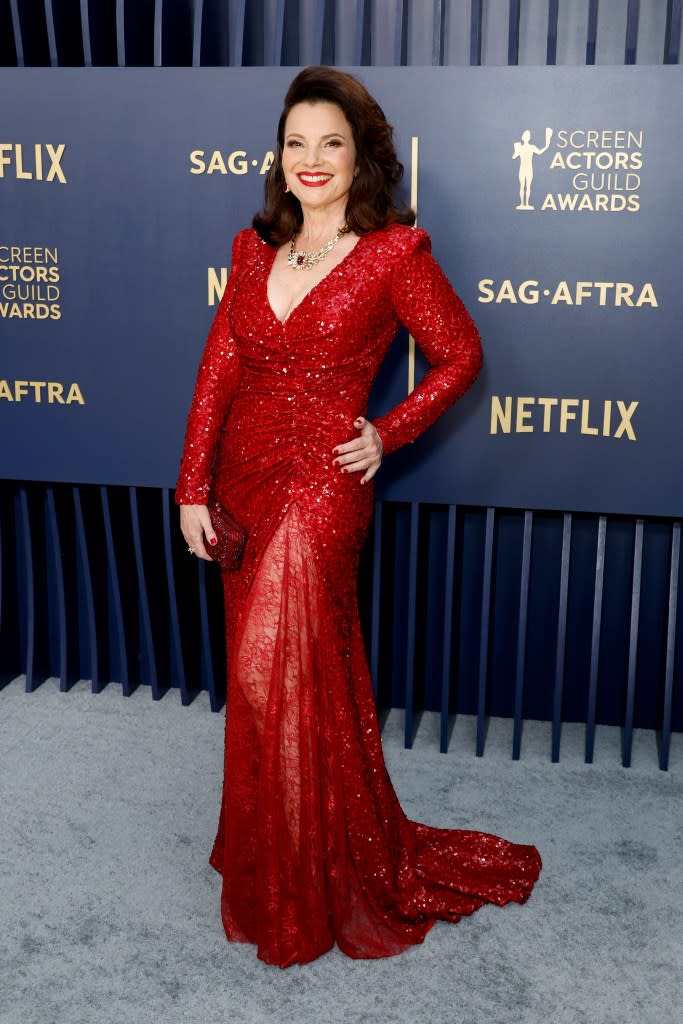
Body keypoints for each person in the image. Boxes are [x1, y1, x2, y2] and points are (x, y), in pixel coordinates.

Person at [176, 66, 541, 968]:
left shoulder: (392, 256)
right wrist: (191, 487)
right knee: (271, 688)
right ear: (279, 156)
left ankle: (305, 892)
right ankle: (279, 860)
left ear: (359, 155)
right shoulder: (253, 252)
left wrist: (386, 433)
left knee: (276, 673)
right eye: (295, 142)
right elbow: (217, 372)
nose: (310, 160)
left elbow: (460, 354)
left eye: (329, 143)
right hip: (243, 483)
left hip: (322, 489)